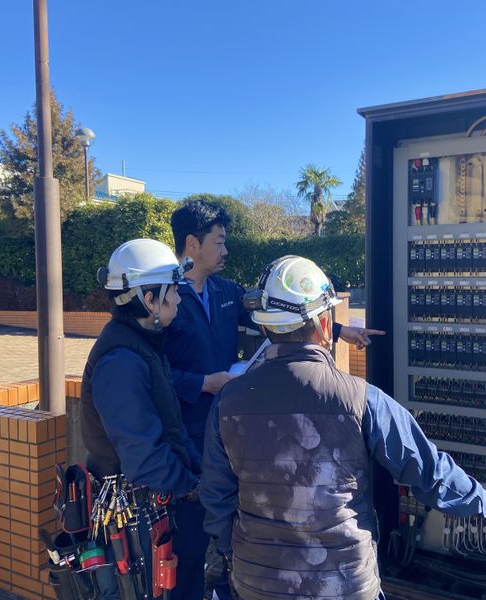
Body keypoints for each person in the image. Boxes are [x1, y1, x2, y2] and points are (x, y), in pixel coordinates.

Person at [199, 255, 486, 600]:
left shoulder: (228, 401)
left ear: (265, 328)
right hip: (343, 585)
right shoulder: (361, 399)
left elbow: (216, 496)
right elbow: (428, 473)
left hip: (256, 583)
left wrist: (237, 557)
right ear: (325, 323)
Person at [164, 200, 385, 600]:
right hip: (192, 434)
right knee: (191, 544)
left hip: (236, 431)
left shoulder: (226, 291)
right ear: (192, 244)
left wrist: (337, 330)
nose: (226, 250)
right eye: (219, 241)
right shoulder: (167, 299)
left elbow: (282, 316)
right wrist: (202, 383)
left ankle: (228, 567)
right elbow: (155, 374)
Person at [80, 238, 202, 600]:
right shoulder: (121, 361)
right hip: (139, 519)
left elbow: (171, 428)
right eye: (173, 291)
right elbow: (143, 456)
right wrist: (193, 488)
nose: (179, 299)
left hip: (154, 508)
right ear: (149, 299)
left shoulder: (143, 343)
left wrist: (198, 473)